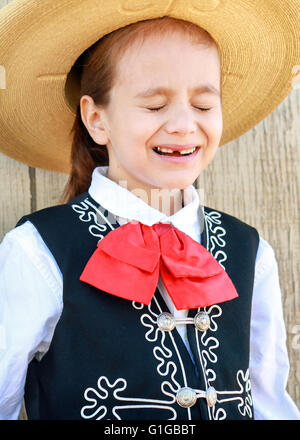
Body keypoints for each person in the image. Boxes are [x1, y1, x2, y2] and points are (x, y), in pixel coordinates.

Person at [0, 0, 299, 421]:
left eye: (203, 104)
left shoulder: (251, 253)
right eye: (155, 105)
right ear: (96, 119)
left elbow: (271, 403)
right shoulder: (37, 252)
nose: (182, 123)